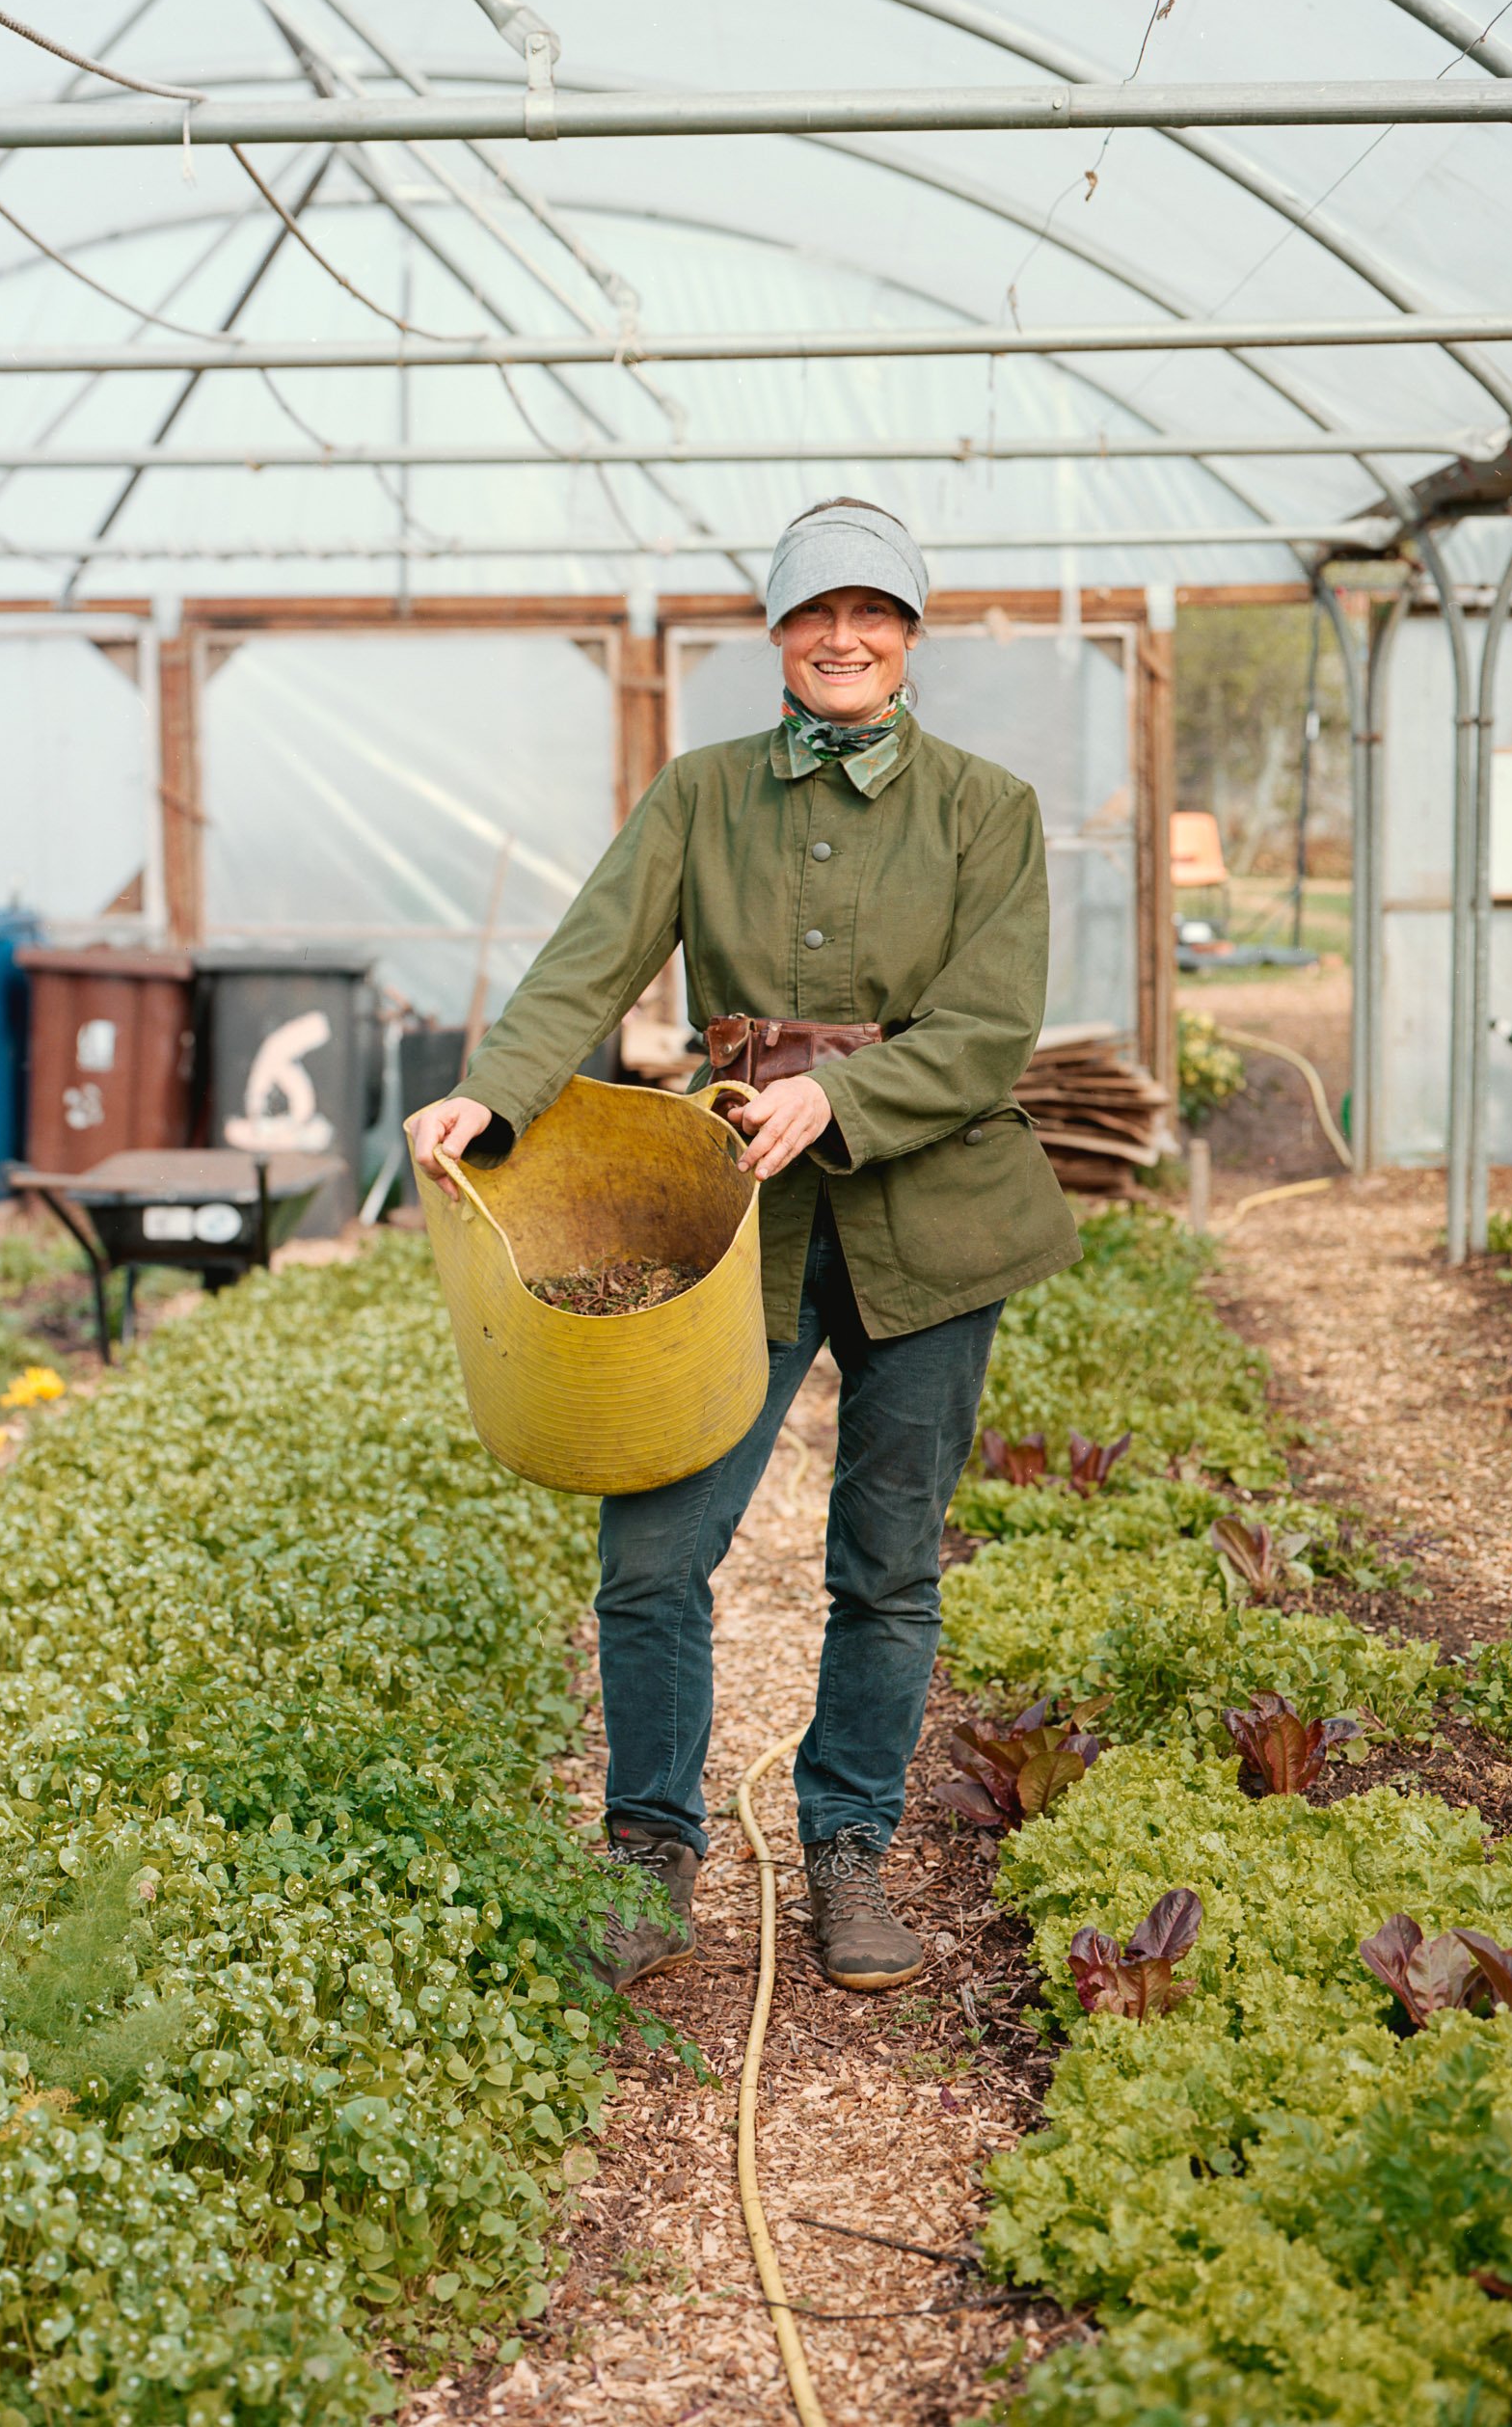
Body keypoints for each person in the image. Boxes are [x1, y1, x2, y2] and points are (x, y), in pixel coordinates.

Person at [409, 499, 1077, 1993]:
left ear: (911, 637)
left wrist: (843, 1091)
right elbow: (592, 955)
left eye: (875, 615)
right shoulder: (703, 795)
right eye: (814, 614)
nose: (845, 639)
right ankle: (650, 1853)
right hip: (723, 1225)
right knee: (655, 1553)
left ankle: (849, 1854)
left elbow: (987, 1030)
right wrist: (491, 1091)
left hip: (935, 1214)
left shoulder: (988, 809)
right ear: (776, 636)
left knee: (889, 1563)